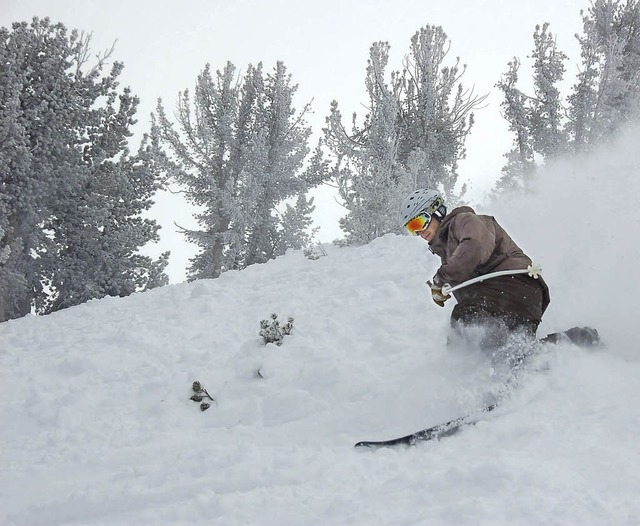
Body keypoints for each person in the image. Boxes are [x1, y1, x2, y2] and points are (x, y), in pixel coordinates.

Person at [400, 188, 550, 351]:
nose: (419, 231)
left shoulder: (463, 220)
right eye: (411, 228)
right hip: (521, 298)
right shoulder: (448, 253)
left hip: (512, 283)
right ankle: (565, 345)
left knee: (466, 321)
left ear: (437, 210)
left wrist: (441, 279)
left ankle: (484, 362)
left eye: (419, 222)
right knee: (518, 352)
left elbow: (475, 246)